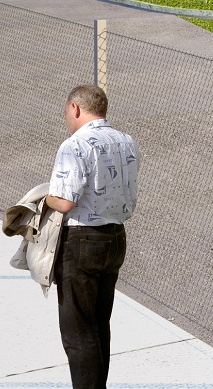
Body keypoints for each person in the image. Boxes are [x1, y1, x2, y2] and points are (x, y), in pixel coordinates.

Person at [47, 84, 139, 389]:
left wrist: (45, 197)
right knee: (99, 324)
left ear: (75, 108)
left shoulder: (75, 145)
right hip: (115, 237)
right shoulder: (126, 141)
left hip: (82, 240)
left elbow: (64, 202)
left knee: (78, 331)